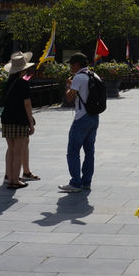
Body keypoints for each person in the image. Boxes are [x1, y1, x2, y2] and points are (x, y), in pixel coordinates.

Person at [59, 52, 100, 193]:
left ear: (76, 64)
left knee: (73, 151)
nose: (70, 67)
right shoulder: (94, 75)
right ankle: (86, 182)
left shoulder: (78, 77)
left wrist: (68, 86)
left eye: (71, 64)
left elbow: (70, 98)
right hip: (94, 117)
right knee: (89, 151)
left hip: (81, 118)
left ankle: (75, 183)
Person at [1, 51, 35, 189]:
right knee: (18, 151)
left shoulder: (7, 83)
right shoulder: (23, 83)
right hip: (19, 119)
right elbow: (27, 104)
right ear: (23, 69)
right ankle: (15, 180)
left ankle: (9, 176)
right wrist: (31, 123)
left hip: (6, 118)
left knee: (11, 149)